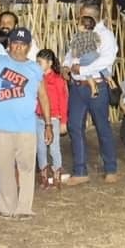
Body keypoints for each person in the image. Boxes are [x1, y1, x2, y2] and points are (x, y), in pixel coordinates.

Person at [0, 28, 51, 218]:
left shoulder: (35, 68)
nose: (18, 48)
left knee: (27, 168)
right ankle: (7, 207)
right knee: (4, 169)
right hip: (0, 126)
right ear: (9, 44)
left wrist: (48, 124)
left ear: (29, 47)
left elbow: (44, 97)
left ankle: (24, 208)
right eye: (15, 43)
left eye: (23, 45)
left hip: (26, 127)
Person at [63, 2, 120, 185]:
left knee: (102, 125)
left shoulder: (106, 35)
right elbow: (71, 54)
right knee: (74, 126)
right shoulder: (80, 33)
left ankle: (111, 168)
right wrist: (66, 66)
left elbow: (107, 60)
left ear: (92, 16)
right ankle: (80, 171)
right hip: (77, 86)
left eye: (83, 16)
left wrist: (83, 68)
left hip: (97, 84)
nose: (80, 19)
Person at [35, 49, 68, 188]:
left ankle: (56, 173)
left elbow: (64, 101)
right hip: (38, 117)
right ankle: (43, 174)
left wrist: (63, 122)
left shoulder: (58, 80)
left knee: (54, 148)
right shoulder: (37, 78)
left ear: (49, 63)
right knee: (41, 147)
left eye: (40, 62)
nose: (37, 65)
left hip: (54, 118)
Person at [68, 15, 114, 97]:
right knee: (103, 69)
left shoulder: (76, 36)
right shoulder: (93, 34)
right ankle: (111, 80)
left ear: (82, 27)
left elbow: (74, 51)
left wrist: (75, 55)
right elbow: (98, 43)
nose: (77, 25)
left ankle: (93, 88)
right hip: (94, 54)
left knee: (87, 73)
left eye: (79, 24)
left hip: (84, 57)